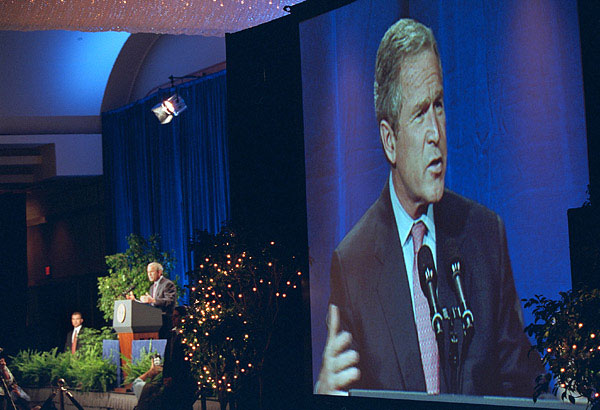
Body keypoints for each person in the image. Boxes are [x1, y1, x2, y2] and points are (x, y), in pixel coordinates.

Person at [316, 18, 543, 397]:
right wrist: (326, 397)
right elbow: (347, 393)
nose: (437, 133)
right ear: (390, 140)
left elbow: (519, 380)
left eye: (438, 105)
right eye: (420, 113)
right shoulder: (353, 263)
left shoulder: (486, 234)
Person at [128, 262, 177, 339]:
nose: (149, 274)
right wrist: (135, 301)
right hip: (153, 322)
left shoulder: (168, 284)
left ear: (159, 272)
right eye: (148, 272)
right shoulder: (152, 287)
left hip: (164, 323)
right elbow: (150, 306)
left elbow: (169, 301)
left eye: (152, 272)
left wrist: (153, 300)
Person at [162, 306, 197, 410]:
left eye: (176, 316)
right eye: (172, 316)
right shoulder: (170, 334)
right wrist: (166, 376)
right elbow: (167, 358)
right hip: (170, 380)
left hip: (182, 381)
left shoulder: (188, 335)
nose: (173, 319)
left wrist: (175, 378)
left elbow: (184, 361)